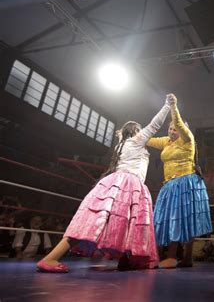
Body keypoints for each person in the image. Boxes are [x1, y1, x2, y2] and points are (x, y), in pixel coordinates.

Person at [36, 96, 172, 273]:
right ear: (136, 131)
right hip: (128, 183)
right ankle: (51, 258)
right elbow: (154, 125)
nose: (142, 133)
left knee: (107, 221)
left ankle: (125, 259)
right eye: (139, 130)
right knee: (126, 221)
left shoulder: (121, 146)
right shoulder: (136, 141)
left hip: (114, 183)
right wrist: (167, 106)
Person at [148, 94, 212, 269]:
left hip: (186, 182)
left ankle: (181, 256)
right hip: (169, 184)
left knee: (184, 218)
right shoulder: (166, 142)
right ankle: (167, 255)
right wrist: (128, 135)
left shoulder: (187, 139)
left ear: (182, 128)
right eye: (170, 128)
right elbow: (146, 138)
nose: (171, 130)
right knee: (167, 218)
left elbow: (177, 121)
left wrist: (173, 106)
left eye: (175, 128)